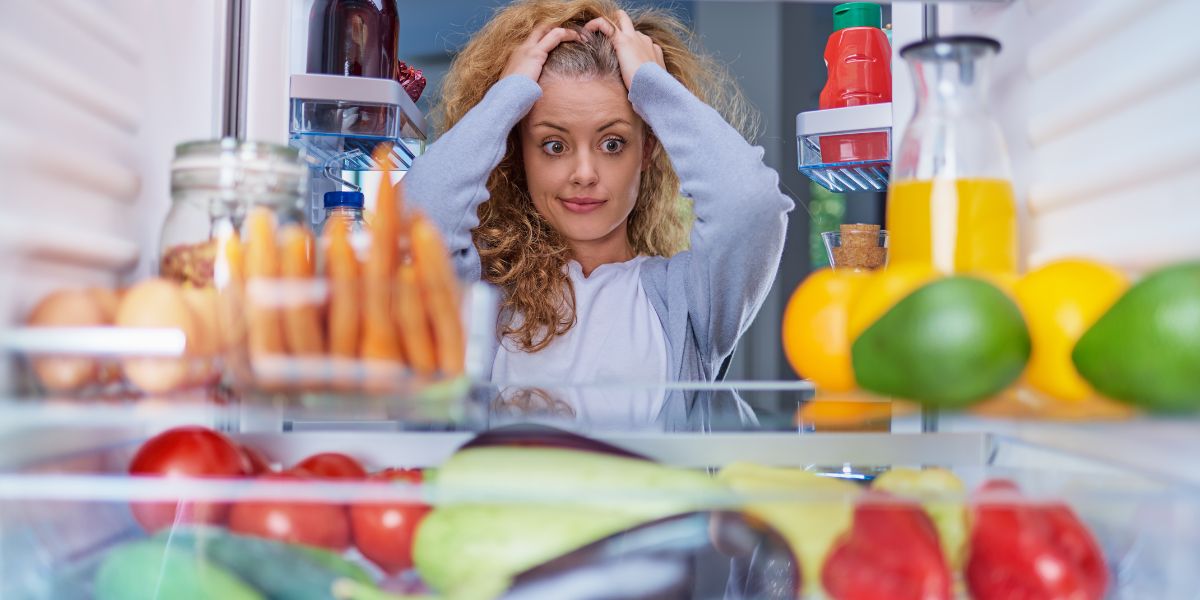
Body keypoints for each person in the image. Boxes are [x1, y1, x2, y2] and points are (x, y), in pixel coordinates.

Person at [403, 0, 794, 391]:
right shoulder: (485, 295)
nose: (585, 174)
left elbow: (750, 204)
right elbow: (414, 220)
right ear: (517, 153)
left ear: (648, 149)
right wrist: (506, 98)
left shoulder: (687, 301)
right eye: (554, 145)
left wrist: (652, 84)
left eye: (612, 143)